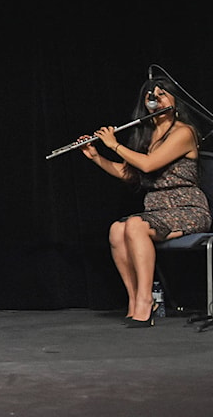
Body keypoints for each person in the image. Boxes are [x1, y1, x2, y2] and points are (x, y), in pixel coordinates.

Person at [81, 77, 210, 327]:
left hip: (187, 208)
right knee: (117, 229)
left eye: (162, 94)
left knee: (135, 225)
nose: (156, 99)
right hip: (156, 210)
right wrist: (97, 156)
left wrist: (114, 145)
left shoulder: (184, 131)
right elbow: (131, 173)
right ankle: (134, 301)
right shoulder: (146, 135)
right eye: (151, 96)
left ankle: (145, 300)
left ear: (174, 101)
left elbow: (149, 164)